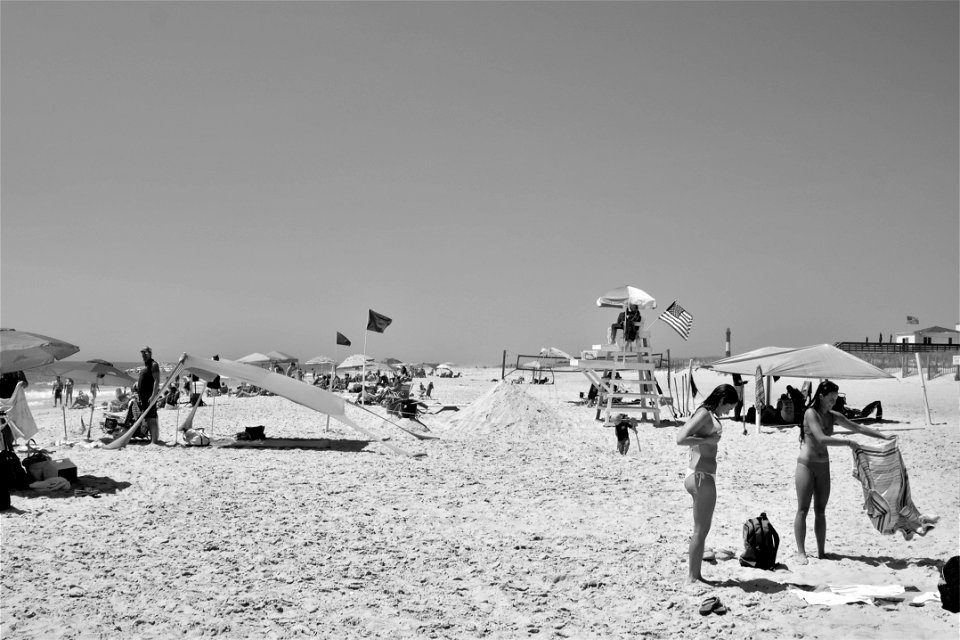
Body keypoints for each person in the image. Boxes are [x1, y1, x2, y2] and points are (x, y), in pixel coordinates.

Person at [794, 380, 894, 565]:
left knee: (821, 511)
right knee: (803, 509)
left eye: (835, 399)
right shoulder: (810, 413)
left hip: (824, 466)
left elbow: (858, 427)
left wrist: (883, 436)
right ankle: (801, 552)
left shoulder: (833, 415)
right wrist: (848, 443)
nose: (833, 402)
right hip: (806, 465)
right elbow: (822, 439)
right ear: (821, 397)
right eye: (830, 399)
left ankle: (821, 552)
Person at [676, 384, 739, 584]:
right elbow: (681, 439)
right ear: (722, 400)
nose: (728, 411)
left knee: (702, 529)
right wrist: (708, 440)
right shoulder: (704, 413)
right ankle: (692, 577)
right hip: (700, 475)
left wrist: (707, 440)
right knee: (700, 530)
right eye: (728, 407)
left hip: (701, 474)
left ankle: (695, 574)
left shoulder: (707, 413)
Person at [137, 346, 162, 445]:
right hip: (144, 397)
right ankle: (153, 439)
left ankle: (154, 441)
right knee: (148, 418)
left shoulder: (154, 364)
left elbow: (157, 381)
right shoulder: (147, 366)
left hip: (149, 397)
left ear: (150, 353)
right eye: (142, 353)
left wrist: (153, 396)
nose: (143, 355)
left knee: (152, 418)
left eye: (145, 353)